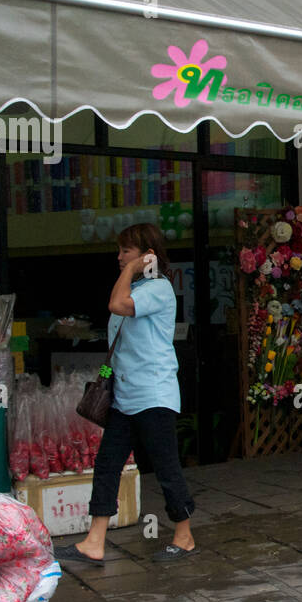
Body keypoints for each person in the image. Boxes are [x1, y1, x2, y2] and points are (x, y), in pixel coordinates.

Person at [56, 224, 197, 566]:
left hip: (154, 394)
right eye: (119, 252)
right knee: (106, 465)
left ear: (147, 253)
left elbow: (117, 305)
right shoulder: (135, 287)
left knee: (165, 467)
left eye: (126, 252)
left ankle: (184, 534)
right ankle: (95, 541)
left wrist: (137, 269)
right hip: (124, 395)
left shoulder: (157, 288)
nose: (119, 258)